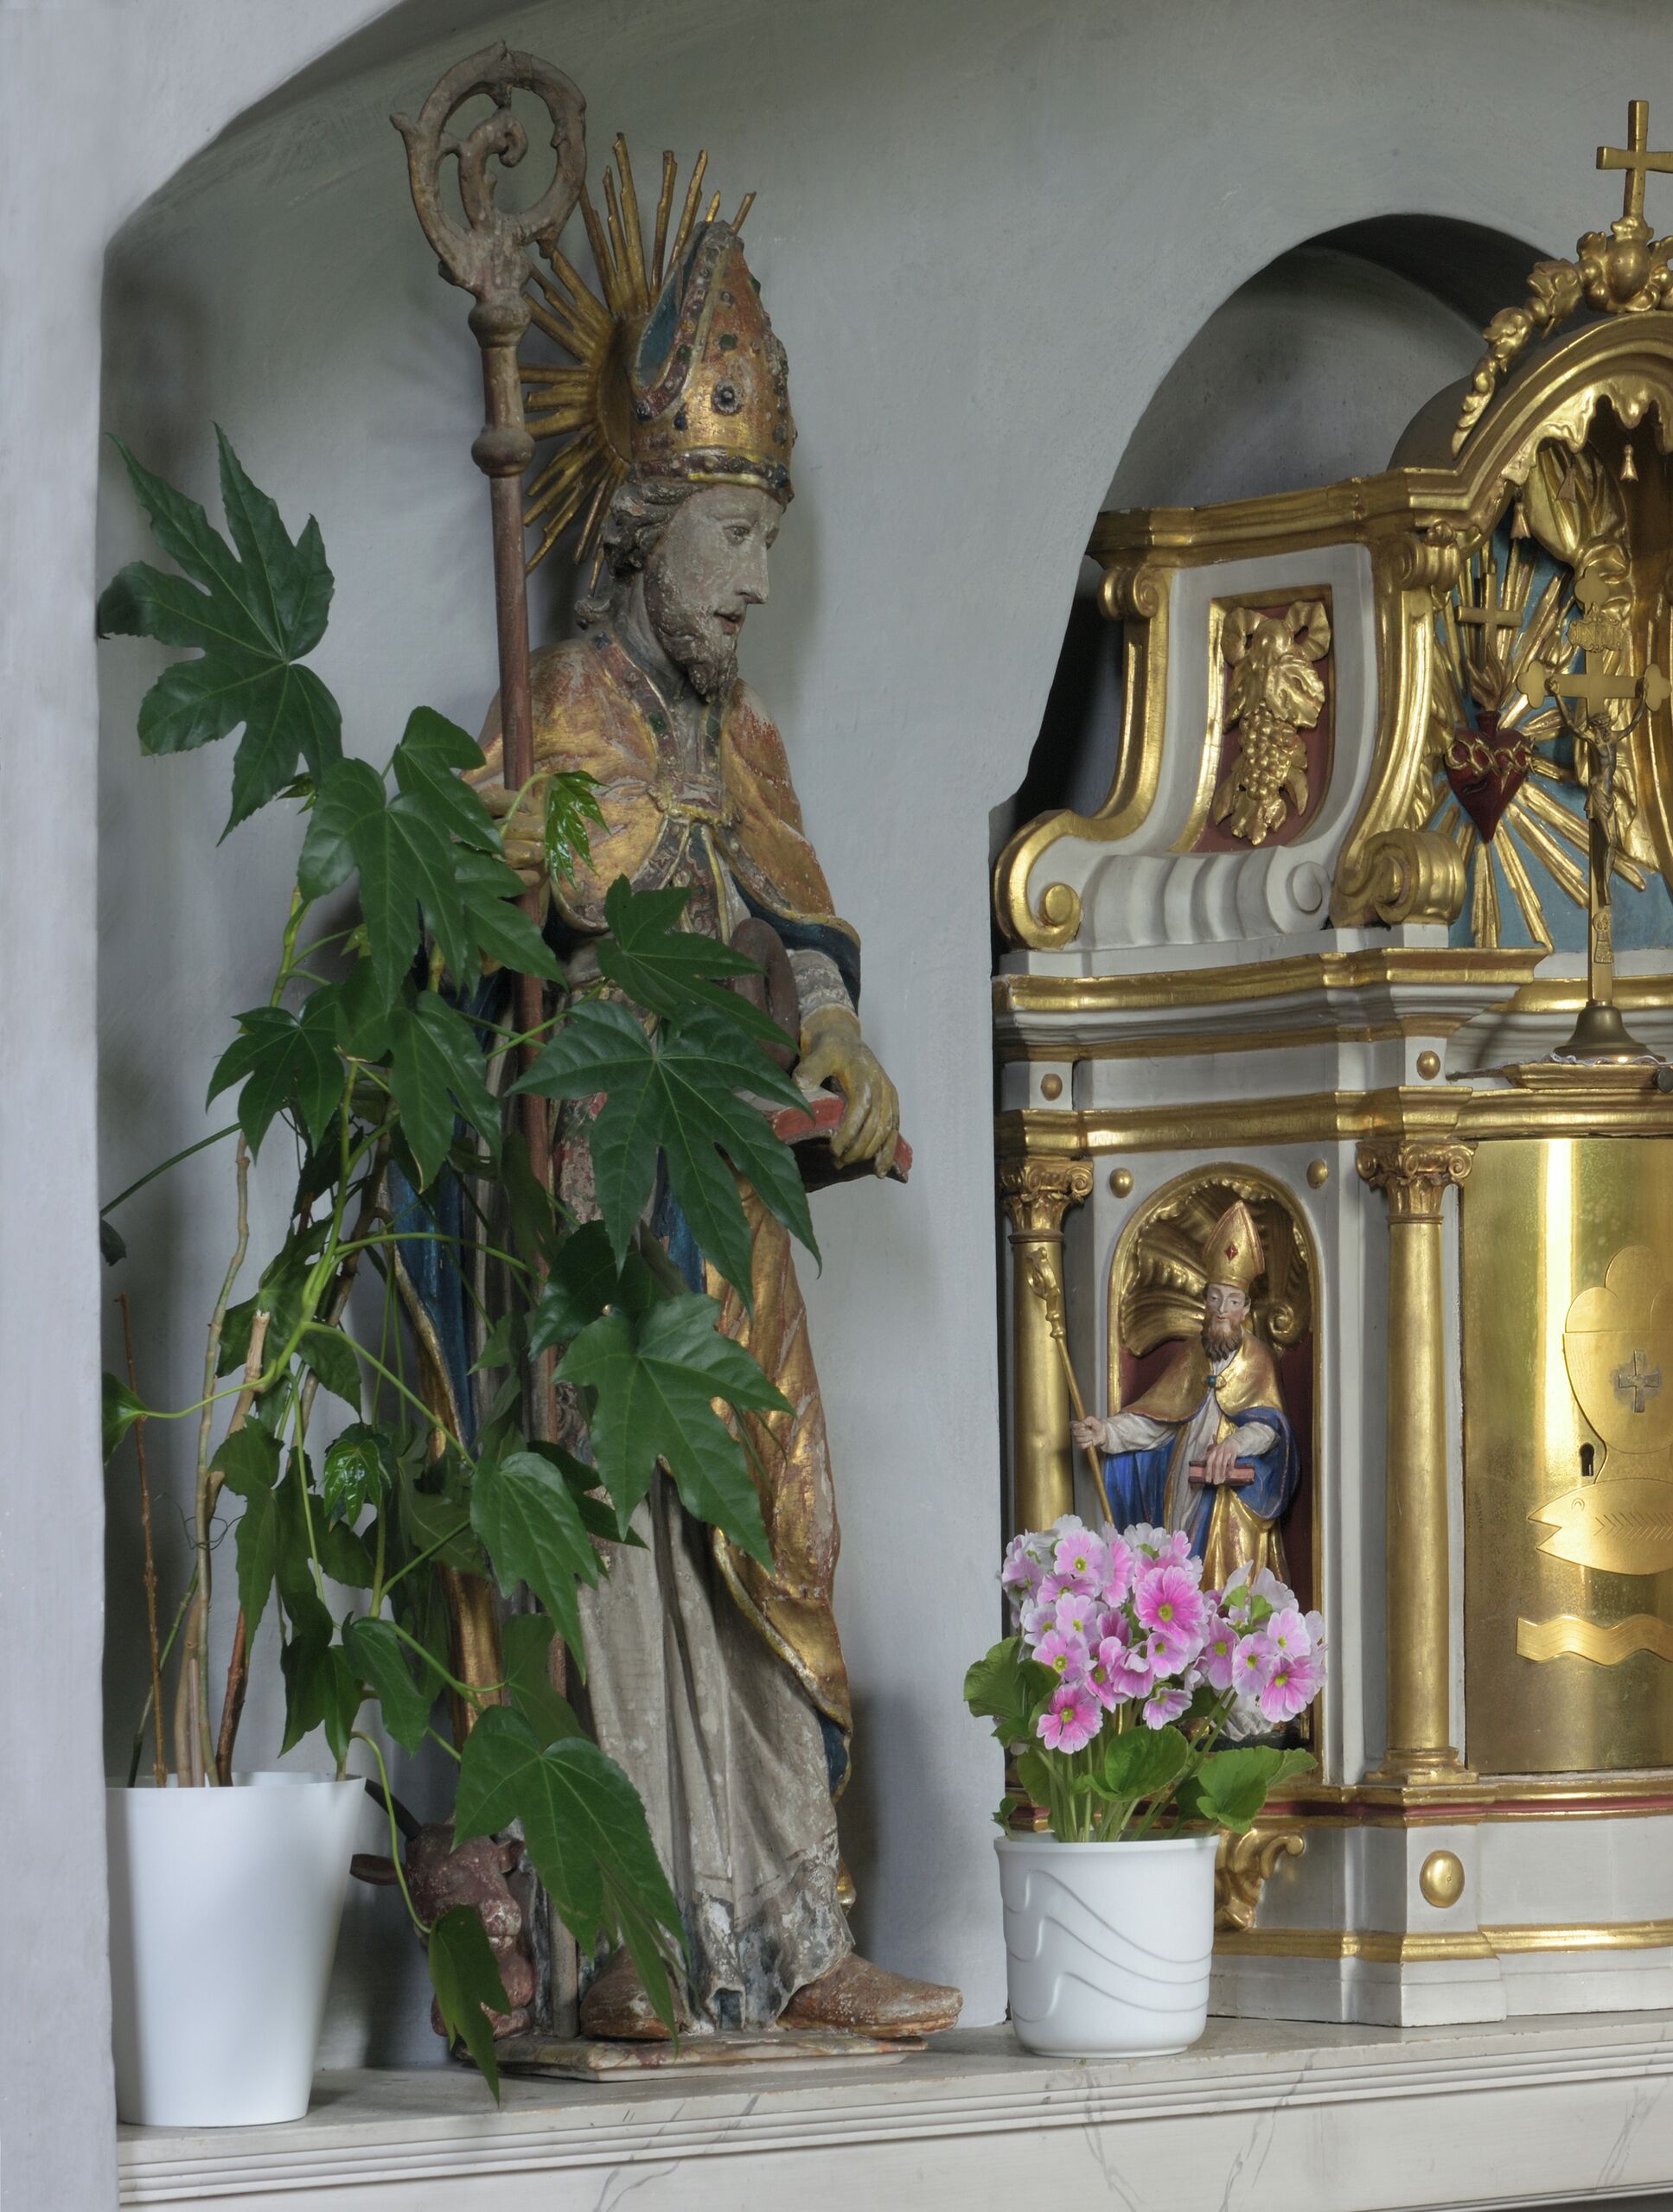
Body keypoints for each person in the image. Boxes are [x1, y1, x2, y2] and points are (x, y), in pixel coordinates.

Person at [483, 220, 957, 2038]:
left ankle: (797, 1923)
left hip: (727, 1193)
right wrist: (529, 903)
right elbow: (479, 933)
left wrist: (835, 1033)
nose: (754, 579)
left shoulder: (741, 737)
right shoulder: (556, 712)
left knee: (779, 1521)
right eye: (732, 534)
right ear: (637, 523)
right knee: (616, 1540)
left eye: (768, 539)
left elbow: (794, 929)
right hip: (595, 1188)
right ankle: (626, 1932)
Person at [1071, 1202, 1300, 1591]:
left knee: (1231, 1590)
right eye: (1214, 1299)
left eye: (1231, 1301)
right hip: (1184, 1483)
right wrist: (1106, 1432)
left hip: (1235, 1501)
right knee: (1181, 1580)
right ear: (1204, 1301)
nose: (1221, 1311)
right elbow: (1156, 1421)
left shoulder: (1258, 1358)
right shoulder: (1193, 1355)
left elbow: (1269, 1428)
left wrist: (1234, 1444)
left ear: (1245, 1308)